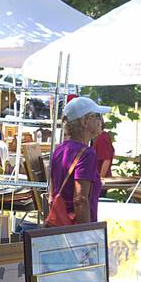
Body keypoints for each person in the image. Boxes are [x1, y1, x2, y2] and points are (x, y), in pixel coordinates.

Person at [48, 96, 109, 228]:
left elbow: (52, 194)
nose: (101, 121)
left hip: (58, 226)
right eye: (97, 116)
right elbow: (80, 200)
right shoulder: (87, 153)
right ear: (84, 121)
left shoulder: (59, 149)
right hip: (75, 228)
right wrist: (86, 233)